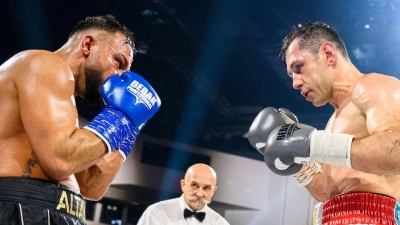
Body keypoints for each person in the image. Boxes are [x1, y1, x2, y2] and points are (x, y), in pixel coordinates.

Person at [0, 15, 161, 224]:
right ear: (88, 45)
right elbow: (61, 160)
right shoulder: (42, 63)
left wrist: (128, 127)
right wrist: (119, 117)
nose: (119, 77)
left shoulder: (61, 109)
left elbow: (93, 187)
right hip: (19, 208)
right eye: (118, 62)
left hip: (56, 212)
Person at [246, 21, 400, 224]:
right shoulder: (333, 121)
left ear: (328, 54)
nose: (295, 83)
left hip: (371, 217)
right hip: (333, 216)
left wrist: (314, 144)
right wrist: (300, 165)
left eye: (299, 67)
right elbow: (331, 194)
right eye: (291, 75)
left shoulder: (374, 86)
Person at [137, 163, 230, 225]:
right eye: (194, 185)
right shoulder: (156, 213)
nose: (200, 194)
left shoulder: (221, 223)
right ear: (183, 185)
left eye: (206, 188)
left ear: (213, 191)